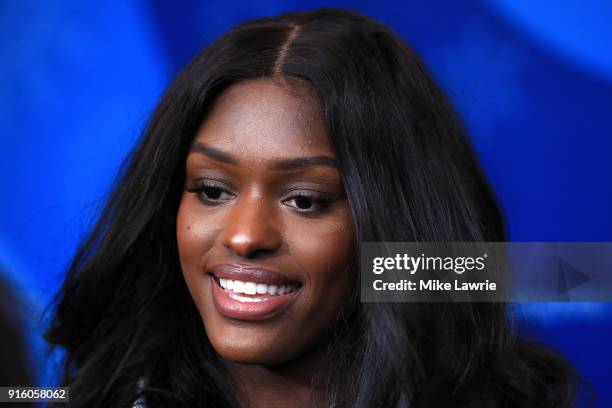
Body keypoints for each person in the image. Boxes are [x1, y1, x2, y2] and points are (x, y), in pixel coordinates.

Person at [45, 8, 582, 408]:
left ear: (391, 223)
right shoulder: (94, 393)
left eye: (305, 200)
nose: (244, 236)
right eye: (211, 190)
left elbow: (573, 275)